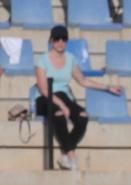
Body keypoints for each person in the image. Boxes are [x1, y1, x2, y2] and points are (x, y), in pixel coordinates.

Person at [34, 25, 122, 171]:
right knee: (60, 114)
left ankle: (64, 151)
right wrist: (62, 105)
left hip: (63, 96)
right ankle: (72, 156)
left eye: (64, 39)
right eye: (57, 39)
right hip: (46, 99)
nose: (61, 42)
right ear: (51, 40)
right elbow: (44, 90)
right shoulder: (42, 60)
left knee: (83, 116)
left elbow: (83, 80)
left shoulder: (70, 59)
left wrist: (107, 87)